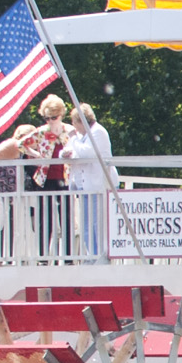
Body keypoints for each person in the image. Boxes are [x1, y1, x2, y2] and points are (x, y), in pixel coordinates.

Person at [62, 102, 115, 255]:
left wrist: (73, 139)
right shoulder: (82, 137)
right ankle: (91, 255)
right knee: (86, 225)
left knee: (97, 224)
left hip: (98, 186)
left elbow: (87, 154)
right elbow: (70, 150)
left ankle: (100, 256)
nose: (73, 126)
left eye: (74, 122)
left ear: (81, 121)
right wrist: (65, 154)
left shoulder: (98, 132)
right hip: (85, 187)